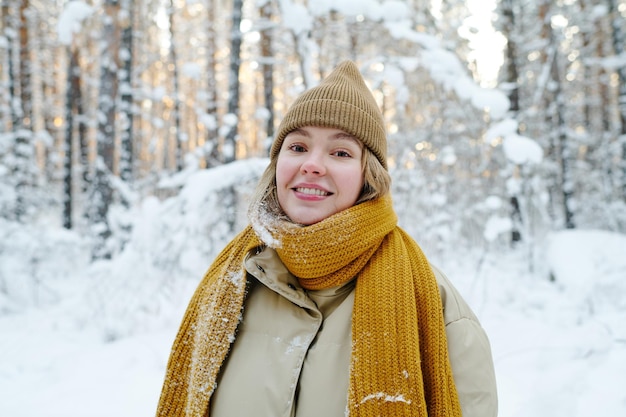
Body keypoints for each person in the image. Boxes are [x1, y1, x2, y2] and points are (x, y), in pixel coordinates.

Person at [156, 60, 498, 417]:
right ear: (277, 165)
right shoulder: (232, 283)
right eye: (298, 147)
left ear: (369, 176)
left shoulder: (433, 304)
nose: (312, 165)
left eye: (340, 153)